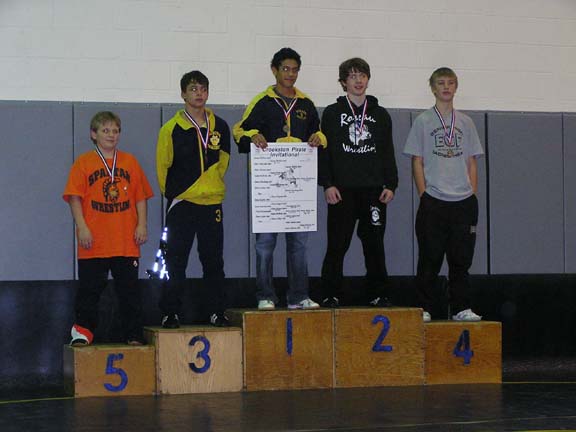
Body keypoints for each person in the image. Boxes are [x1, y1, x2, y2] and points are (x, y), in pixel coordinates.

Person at [233, 47, 326, 310]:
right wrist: (252, 135)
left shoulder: (306, 104)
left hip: (298, 186)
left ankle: (298, 296)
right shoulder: (262, 102)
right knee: (265, 243)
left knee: (299, 243)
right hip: (268, 185)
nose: (290, 74)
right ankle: (265, 295)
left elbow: (319, 133)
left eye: (295, 70)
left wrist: (319, 138)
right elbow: (239, 131)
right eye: (285, 69)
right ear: (274, 70)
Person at [63, 111, 154, 346]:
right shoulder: (83, 163)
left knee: (129, 291)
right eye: (105, 131)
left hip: (125, 240)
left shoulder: (130, 162)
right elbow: (74, 198)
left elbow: (140, 197)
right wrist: (82, 227)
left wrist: (142, 224)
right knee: (89, 291)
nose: (111, 135)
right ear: (93, 134)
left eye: (115, 131)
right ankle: (82, 333)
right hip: (94, 240)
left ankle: (133, 334)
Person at [403, 67, 484, 322]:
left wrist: (472, 193)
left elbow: (472, 161)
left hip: (463, 202)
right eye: (441, 83)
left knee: (461, 260)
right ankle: (424, 307)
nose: (446, 87)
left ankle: (461, 307)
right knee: (430, 257)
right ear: (433, 88)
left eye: (450, 83)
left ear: (456, 87)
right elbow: (416, 160)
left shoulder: (466, 122)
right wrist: (424, 194)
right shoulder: (423, 121)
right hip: (434, 201)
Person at [317, 58, 398, 308]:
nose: (358, 80)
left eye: (362, 75)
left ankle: (378, 293)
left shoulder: (381, 115)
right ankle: (330, 293)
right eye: (352, 76)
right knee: (337, 244)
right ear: (343, 82)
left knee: (374, 245)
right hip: (342, 191)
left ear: (368, 79)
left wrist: (391, 184)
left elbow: (387, 151)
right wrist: (327, 184)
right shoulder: (332, 113)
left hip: (374, 191)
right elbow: (325, 153)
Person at [156, 70, 231, 328]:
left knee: (213, 260)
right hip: (183, 204)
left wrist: (210, 186)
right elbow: (163, 166)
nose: (199, 94)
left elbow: (223, 162)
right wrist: (178, 193)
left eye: (203, 89)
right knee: (175, 260)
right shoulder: (171, 129)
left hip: (211, 204)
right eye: (193, 89)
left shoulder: (220, 126)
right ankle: (170, 312)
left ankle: (216, 311)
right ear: (183, 94)